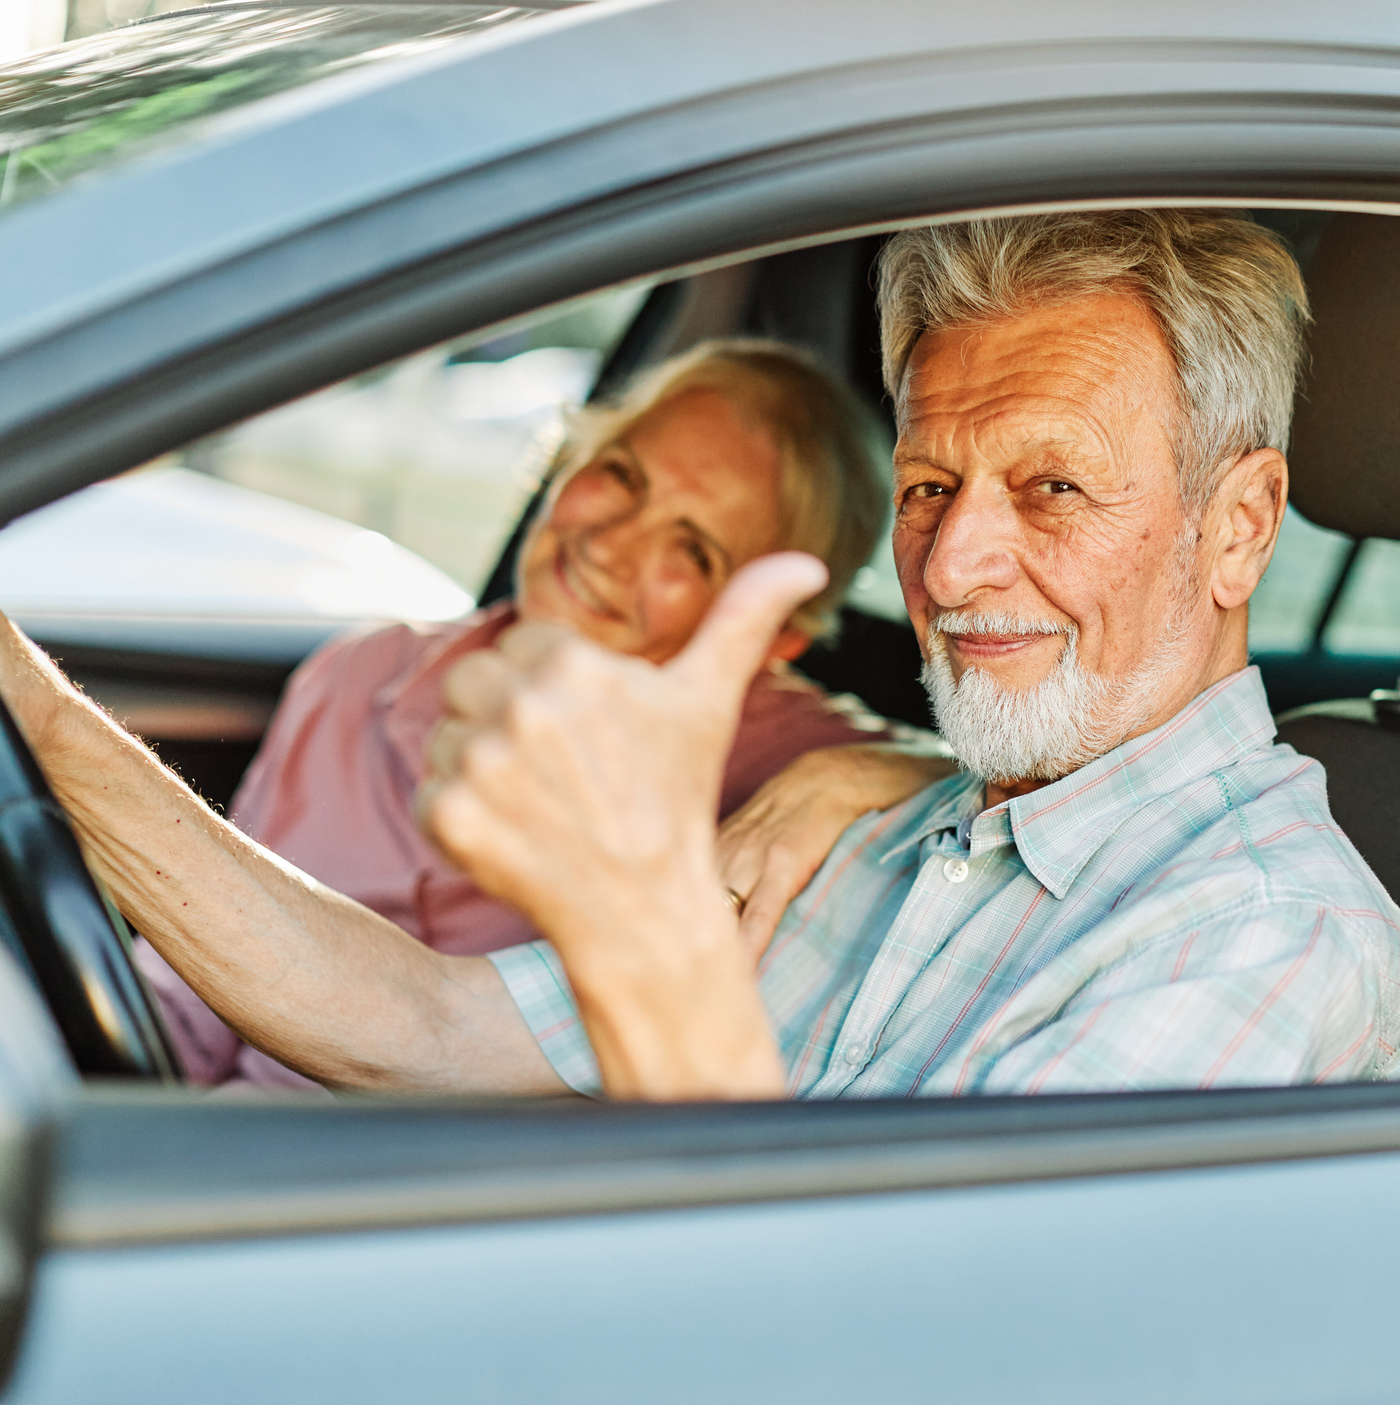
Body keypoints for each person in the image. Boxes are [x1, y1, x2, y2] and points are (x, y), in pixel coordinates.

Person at [0, 207, 1400, 1100]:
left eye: (1052, 488)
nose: (947, 565)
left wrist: (645, 939)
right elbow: (421, 1020)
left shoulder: (1266, 942)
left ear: (1241, 526)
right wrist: (22, 699)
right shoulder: (904, 834)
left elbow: (884, 1361)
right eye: (931, 487)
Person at [138, 339, 934, 1088]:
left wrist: (845, 774)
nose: (613, 546)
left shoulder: (785, 759)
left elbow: (989, 782)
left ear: (775, 638)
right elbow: (182, 1015)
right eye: (621, 475)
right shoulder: (359, 671)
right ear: (567, 460)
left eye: (692, 550)